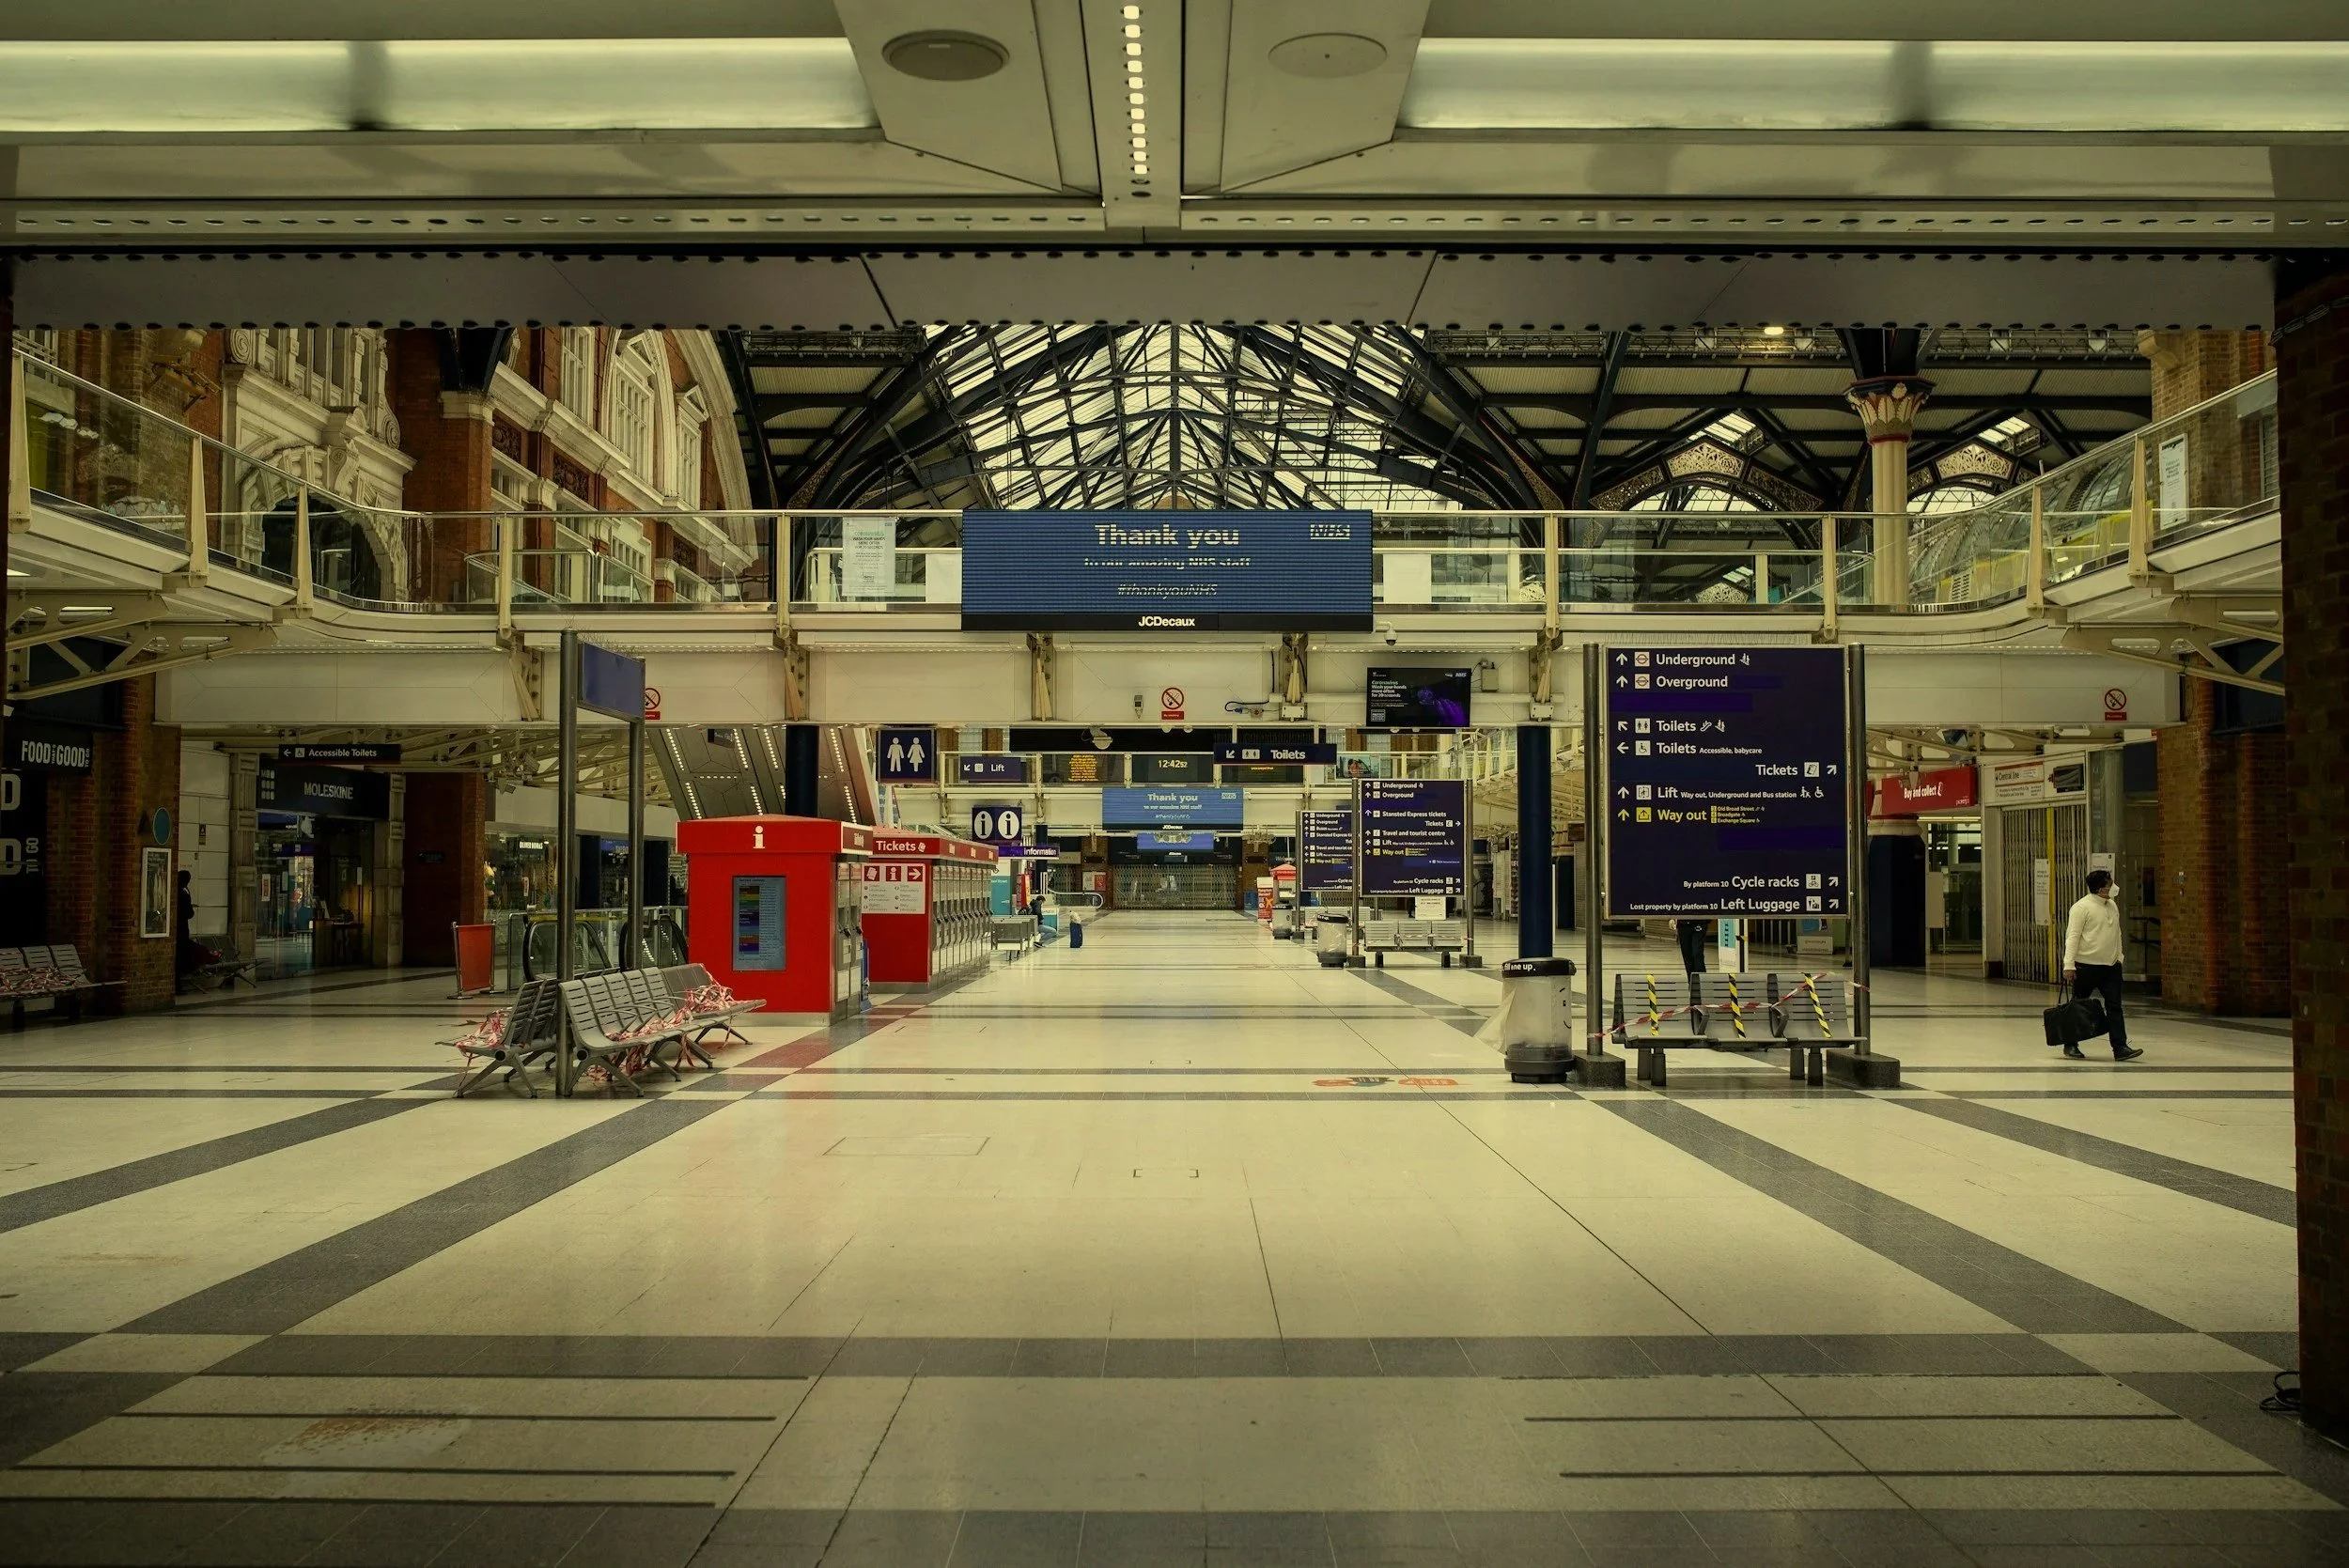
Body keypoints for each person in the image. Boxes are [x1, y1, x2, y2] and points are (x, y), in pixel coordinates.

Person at [2062, 867, 2143, 1062]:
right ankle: (2071, 1044)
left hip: (2111, 966)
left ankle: (2120, 1047)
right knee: (2079, 1006)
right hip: (2086, 966)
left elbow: (2117, 933)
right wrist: (2069, 965)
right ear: (2100, 889)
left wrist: (2119, 957)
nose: (2113, 887)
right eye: (2109, 884)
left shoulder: (2112, 906)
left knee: (2115, 1007)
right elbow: (2072, 937)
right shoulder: (2081, 908)